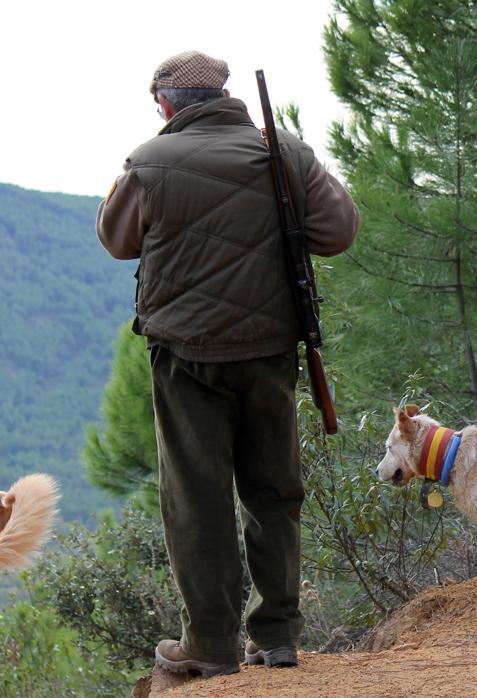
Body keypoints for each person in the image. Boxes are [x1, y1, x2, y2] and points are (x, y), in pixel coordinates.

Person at [96, 50, 359, 677]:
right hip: (270, 351)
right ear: (225, 94)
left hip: (185, 356)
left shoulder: (149, 161)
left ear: (165, 103)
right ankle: (277, 635)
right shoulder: (283, 152)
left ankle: (209, 647)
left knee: (197, 497)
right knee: (273, 490)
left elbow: (115, 239)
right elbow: (340, 230)